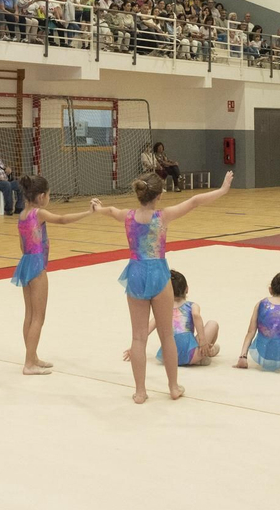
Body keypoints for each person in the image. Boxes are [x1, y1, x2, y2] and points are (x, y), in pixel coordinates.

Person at [91, 171, 235, 404]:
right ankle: (173, 387)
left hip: (136, 272)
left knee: (138, 338)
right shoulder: (163, 216)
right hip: (158, 272)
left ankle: (140, 391)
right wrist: (223, 189)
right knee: (166, 335)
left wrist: (96, 207)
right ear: (159, 195)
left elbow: (108, 211)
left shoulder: (127, 216)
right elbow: (195, 201)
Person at [10, 175, 92, 376]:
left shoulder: (22, 215)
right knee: (39, 316)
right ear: (41, 196)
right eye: (48, 195)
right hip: (37, 265)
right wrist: (88, 212)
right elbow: (62, 220)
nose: (49, 198)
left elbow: (22, 245)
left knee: (29, 314)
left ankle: (32, 356)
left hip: (26, 261)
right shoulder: (39, 213)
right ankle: (29, 363)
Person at [124, 270, 220, 368]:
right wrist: (202, 340)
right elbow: (196, 315)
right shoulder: (192, 306)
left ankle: (203, 354)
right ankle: (206, 353)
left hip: (168, 357)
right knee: (213, 324)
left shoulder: (163, 310)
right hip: (191, 355)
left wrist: (135, 348)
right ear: (187, 289)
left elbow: (147, 329)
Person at [234, 273, 280, 373]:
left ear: (270, 289)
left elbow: (250, 332)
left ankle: (243, 357)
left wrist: (243, 356)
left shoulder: (261, 304)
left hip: (262, 351)